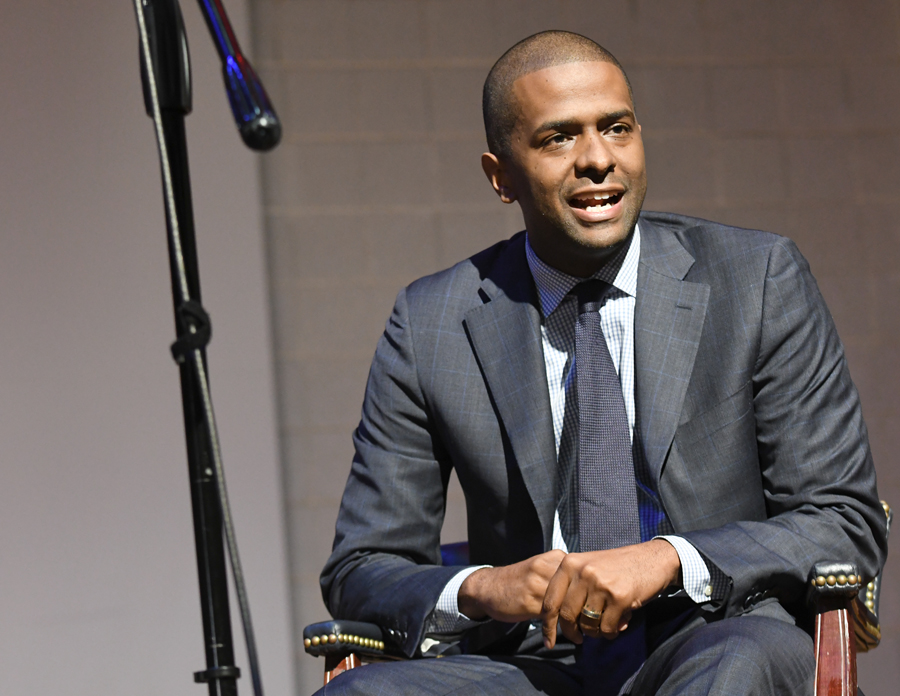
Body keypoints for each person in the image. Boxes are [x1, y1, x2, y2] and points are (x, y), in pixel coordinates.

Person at [316, 30, 886, 695]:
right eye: (559, 138)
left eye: (616, 128)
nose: (597, 159)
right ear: (501, 177)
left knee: (737, 665)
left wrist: (666, 560)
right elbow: (360, 567)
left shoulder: (756, 279)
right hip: (530, 663)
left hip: (716, 632)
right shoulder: (430, 322)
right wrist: (486, 587)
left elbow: (843, 520)